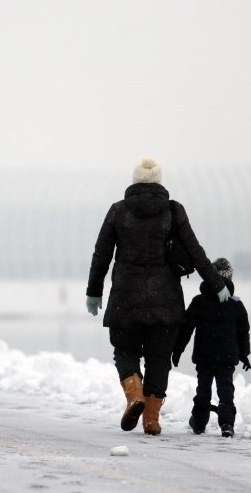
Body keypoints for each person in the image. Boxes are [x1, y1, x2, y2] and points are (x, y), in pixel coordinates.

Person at [85, 158, 231, 435]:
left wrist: (94, 292)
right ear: (159, 182)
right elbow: (195, 251)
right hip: (166, 301)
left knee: (125, 351)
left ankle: (134, 395)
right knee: (159, 358)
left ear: (135, 181)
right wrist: (217, 284)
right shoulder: (174, 212)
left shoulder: (118, 211)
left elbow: (101, 254)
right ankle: (151, 419)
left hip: (125, 300)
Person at [172, 258, 251, 438]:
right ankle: (227, 425)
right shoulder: (236, 305)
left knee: (203, 390)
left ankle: (199, 423)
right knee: (226, 391)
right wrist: (244, 354)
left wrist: (177, 350)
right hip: (227, 358)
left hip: (204, 356)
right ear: (230, 277)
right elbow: (243, 332)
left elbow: (186, 329)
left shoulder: (199, 301)